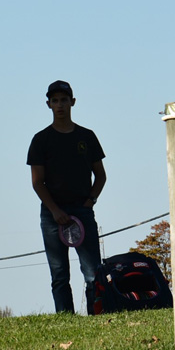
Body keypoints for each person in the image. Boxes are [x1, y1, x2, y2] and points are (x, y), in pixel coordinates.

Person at [27, 80, 107, 315]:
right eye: (55, 101)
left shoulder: (87, 136)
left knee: (92, 272)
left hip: (82, 211)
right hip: (52, 214)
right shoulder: (41, 140)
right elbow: (37, 182)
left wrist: (90, 202)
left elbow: (101, 176)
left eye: (64, 100)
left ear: (73, 102)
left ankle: (97, 316)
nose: (60, 105)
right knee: (59, 274)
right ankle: (66, 319)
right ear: (48, 105)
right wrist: (55, 210)